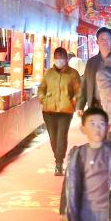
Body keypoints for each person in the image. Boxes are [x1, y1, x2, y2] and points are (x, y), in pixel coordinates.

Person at [38, 47, 80, 175]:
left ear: (66, 59)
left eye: (62, 57)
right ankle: (58, 157)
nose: (59, 60)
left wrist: (72, 102)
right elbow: (41, 88)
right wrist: (43, 99)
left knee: (61, 136)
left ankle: (59, 163)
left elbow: (79, 91)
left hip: (65, 112)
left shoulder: (73, 74)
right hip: (49, 111)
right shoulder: (48, 73)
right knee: (53, 137)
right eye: (57, 57)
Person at [76, 27, 111, 116]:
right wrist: (80, 105)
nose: (105, 42)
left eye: (108, 39)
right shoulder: (91, 62)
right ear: (97, 42)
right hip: (95, 105)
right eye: (102, 39)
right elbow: (85, 84)